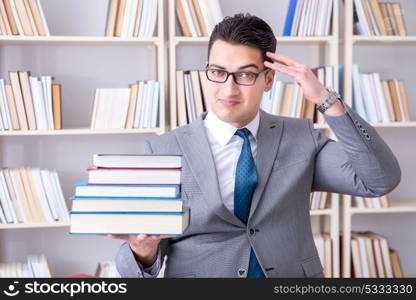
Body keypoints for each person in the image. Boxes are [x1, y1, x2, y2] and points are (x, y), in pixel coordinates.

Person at [110, 13, 401, 278]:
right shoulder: (161, 151)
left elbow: (379, 180)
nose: (229, 89)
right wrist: (143, 251)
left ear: (269, 79)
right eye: (218, 72)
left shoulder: (301, 137)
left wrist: (326, 100)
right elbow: (139, 259)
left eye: (246, 75)